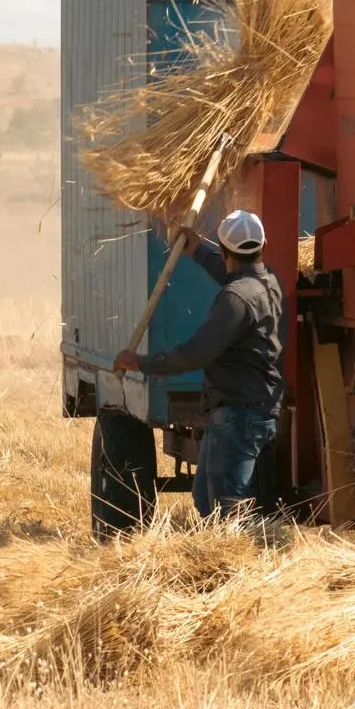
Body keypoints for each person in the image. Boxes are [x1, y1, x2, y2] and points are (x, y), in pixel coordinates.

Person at [113, 209, 284, 519]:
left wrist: (141, 363)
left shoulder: (234, 298)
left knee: (229, 507)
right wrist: (195, 250)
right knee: (206, 497)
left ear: (223, 250)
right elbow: (233, 274)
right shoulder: (267, 282)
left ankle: (243, 563)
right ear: (264, 245)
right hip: (248, 408)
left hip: (238, 412)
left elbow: (196, 354)